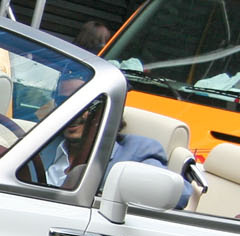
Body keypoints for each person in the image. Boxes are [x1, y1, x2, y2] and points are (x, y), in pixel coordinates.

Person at [44, 77, 185, 206]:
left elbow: (180, 195)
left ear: (105, 110)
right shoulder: (42, 141)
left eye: (84, 104)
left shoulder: (137, 151)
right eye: (64, 102)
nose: (72, 112)